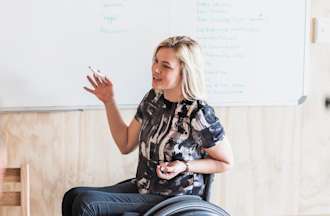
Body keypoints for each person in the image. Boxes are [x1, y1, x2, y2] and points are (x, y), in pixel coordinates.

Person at [62, 36, 234, 216]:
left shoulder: (198, 113)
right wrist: (108, 100)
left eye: (166, 66)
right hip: (145, 188)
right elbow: (125, 143)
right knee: (73, 196)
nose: (156, 69)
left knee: (87, 204)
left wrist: (184, 166)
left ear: (185, 72)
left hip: (175, 197)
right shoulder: (153, 99)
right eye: (156, 61)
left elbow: (225, 162)